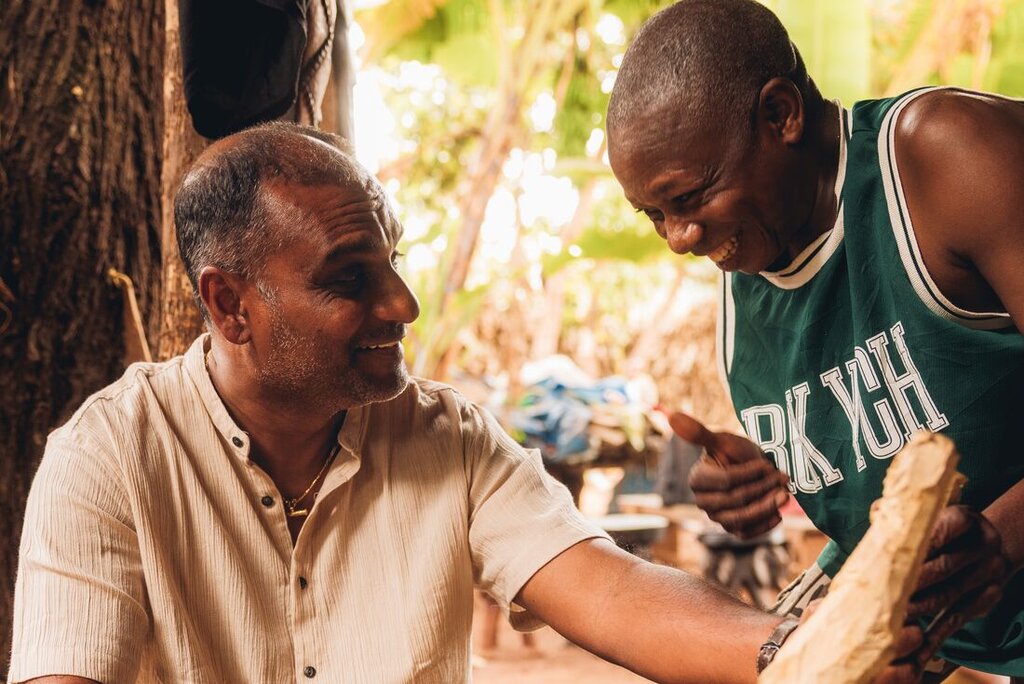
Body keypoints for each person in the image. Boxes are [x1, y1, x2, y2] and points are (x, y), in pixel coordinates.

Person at [11, 122, 818, 684]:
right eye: (349, 277)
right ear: (230, 306)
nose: (403, 304)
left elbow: (611, 592)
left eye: (392, 262)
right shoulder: (109, 457)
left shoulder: (450, 437)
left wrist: (808, 653)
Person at [606, 1, 1024, 681]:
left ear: (781, 115)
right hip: (939, 643)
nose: (678, 239)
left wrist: (1002, 537)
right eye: (654, 215)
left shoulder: (944, 158)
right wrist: (772, 469)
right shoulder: (745, 272)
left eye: (689, 198)